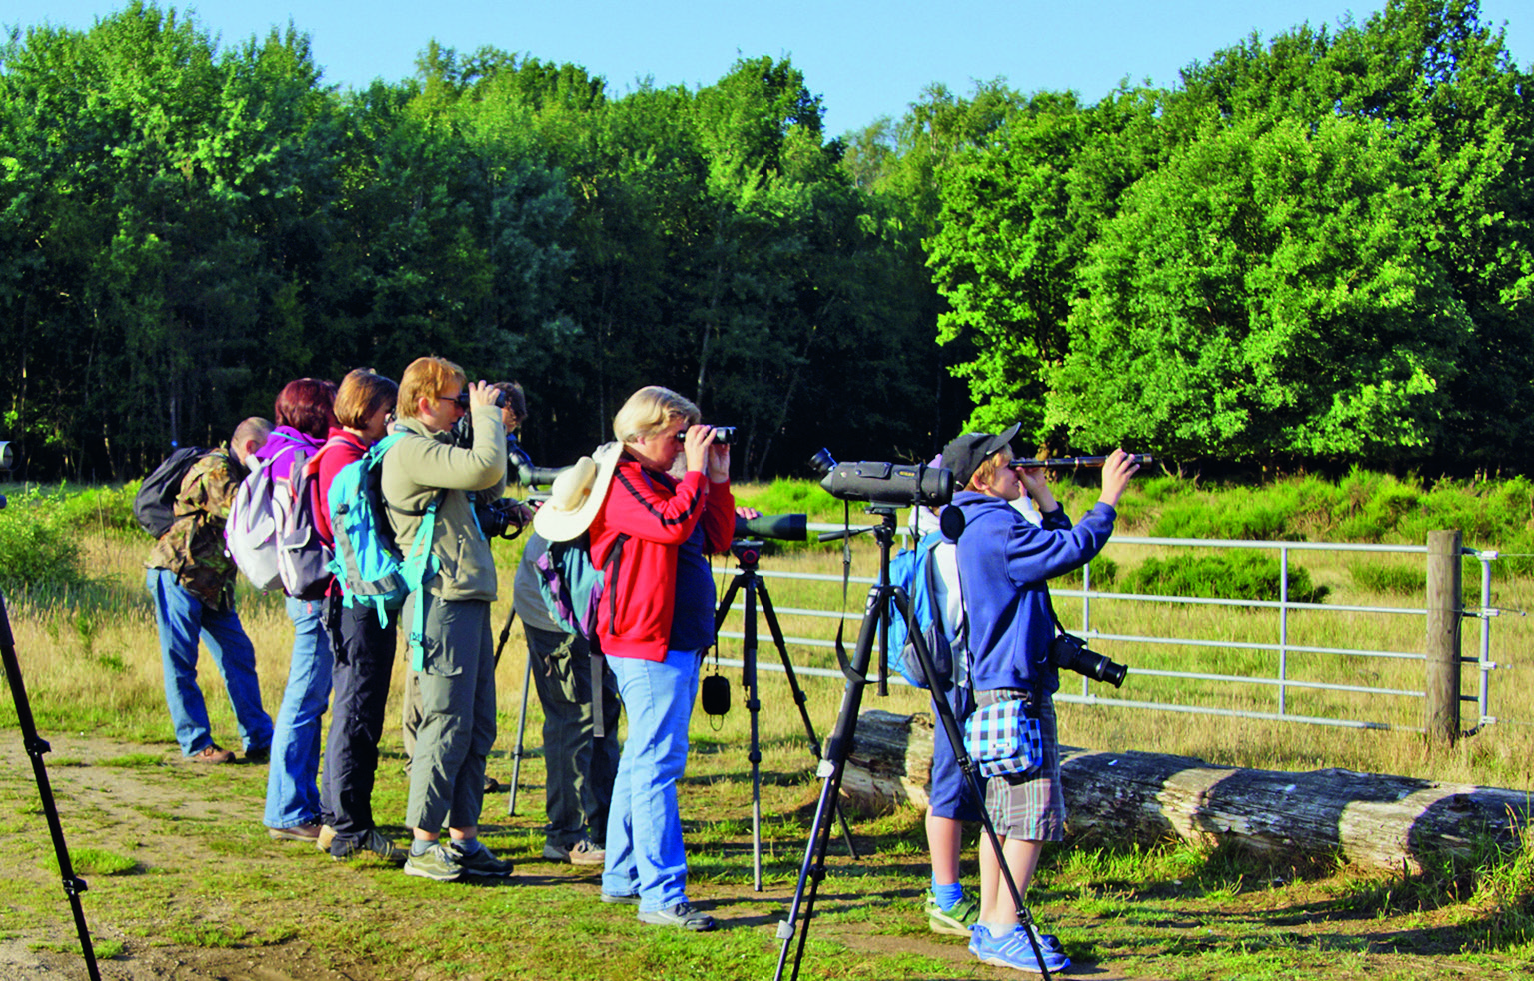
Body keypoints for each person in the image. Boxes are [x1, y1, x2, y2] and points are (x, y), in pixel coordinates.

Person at [535, 385, 734, 931]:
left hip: (676, 639)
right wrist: (693, 473)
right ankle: (663, 895)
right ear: (641, 436)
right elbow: (671, 524)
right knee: (658, 766)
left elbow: (713, 535)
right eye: (677, 436)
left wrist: (714, 477)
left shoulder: (662, 479)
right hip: (647, 641)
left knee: (643, 761)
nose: (682, 445)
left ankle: (622, 877)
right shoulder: (621, 482)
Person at [944, 429, 1137, 973]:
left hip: (998, 682)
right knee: (1031, 812)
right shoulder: (999, 527)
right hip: (1018, 688)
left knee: (1002, 812)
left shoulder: (980, 523)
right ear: (984, 475)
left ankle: (990, 923)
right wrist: (1108, 497)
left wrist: (1046, 501)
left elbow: (1050, 553)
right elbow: (1075, 549)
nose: (1019, 470)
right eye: (1009, 466)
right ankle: (1007, 929)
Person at [382, 356, 511, 882]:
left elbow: (490, 486)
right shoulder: (411, 450)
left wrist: (482, 426)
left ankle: (464, 838)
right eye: (457, 400)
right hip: (440, 601)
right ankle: (423, 843)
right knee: (445, 722)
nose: (465, 408)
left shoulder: (437, 449)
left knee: (477, 724)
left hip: (465, 596)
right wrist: (486, 421)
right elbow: (486, 468)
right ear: (425, 401)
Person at [313, 369, 405, 862]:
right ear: (366, 409)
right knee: (358, 712)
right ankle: (350, 825)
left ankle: (337, 818)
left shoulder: (333, 453)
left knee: (352, 706)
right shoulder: (350, 458)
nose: (391, 418)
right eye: (386, 409)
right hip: (361, 600)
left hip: (348, 597)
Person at [145, 419, 275, 765]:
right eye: (268, 451)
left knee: (239, 657)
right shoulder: (215, 470)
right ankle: (196, 742)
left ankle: (261, 738)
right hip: (180, 575)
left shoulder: (240, 473)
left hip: (214, 585)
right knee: (181, 661)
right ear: (250, 448)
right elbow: (244, 514)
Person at [513, 532, 621, 865]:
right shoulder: (568, 530)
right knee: (574, 719)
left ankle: (606, 826)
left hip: (589, 617)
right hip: (558, 620)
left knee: (603, 714)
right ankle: (565, 836)